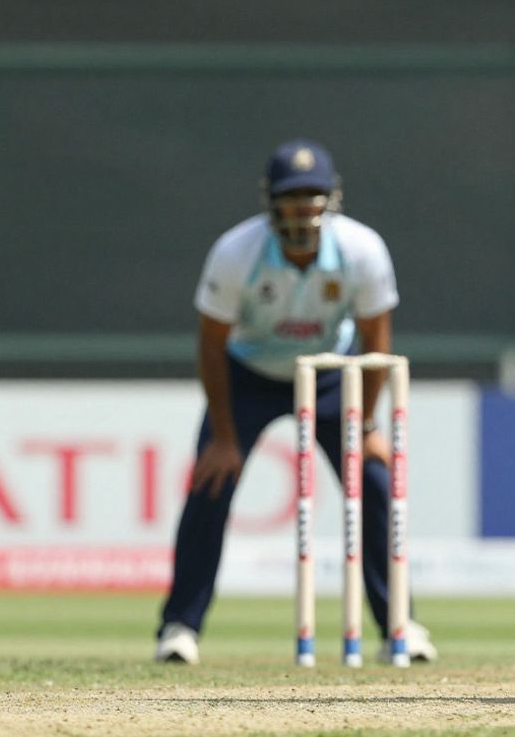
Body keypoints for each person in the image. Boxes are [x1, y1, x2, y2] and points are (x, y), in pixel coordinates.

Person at [155, 139, 436, 664]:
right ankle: (179, 627)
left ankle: (400, 625)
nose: (302, 208)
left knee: (372, 480)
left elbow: (377, 340)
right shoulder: (237, 252)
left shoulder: (361, 249)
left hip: (332, 372)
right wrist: (223, 436)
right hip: (248, 373)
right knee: (210, 483)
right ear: (271, 201)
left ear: (331, 199)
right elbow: (211, 345)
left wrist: (367, 424)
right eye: (291, 197)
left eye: (312, 196)